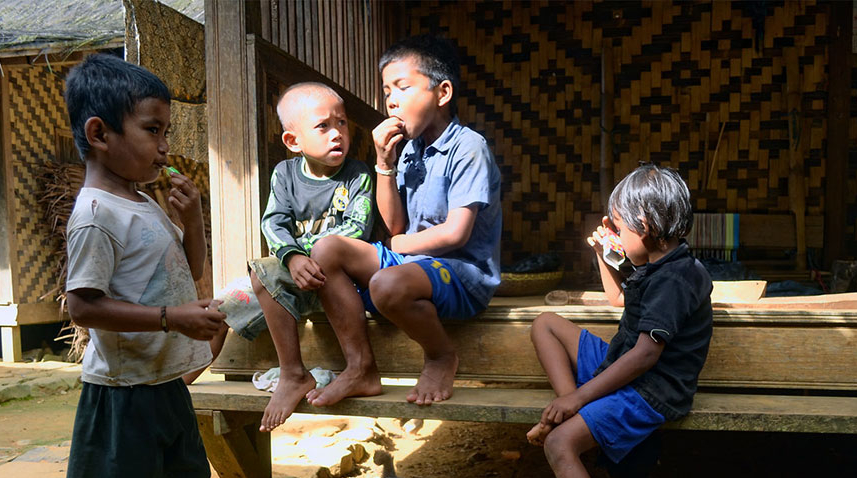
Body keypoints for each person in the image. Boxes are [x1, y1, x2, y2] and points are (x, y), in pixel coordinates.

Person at [306, 34, 502, 407]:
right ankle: (360, 366)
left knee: (386, 285)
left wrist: (396, 247)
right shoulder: (409, 150)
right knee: (326, 249)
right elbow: (395, 225)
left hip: (463, 272)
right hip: (414, 264)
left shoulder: (468, 147)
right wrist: (384, 163)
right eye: (386, 91)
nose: (391, 100)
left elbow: (456, 234)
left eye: (402, 86)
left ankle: (441, 355)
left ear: (442, 93)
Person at [62, 54, 226, 478]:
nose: (165, 147)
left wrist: (193, 222)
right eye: (153, 130)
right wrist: (172, 317)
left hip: (165, 386)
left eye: (165, 132)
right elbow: (82, 307)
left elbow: (188, 270)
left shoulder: (142, 202)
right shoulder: (97, 214)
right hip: (122, 398)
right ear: (99, 133)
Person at [526, 164, 713, 478]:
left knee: (559, 445)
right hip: (622, 362)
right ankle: (572, 409)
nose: (620, 239)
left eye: (621, 229)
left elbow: (646, 355)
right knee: (545, 324)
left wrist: (578, 397)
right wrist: (603, 254)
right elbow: (618, 300)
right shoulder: (659, 264)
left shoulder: (677, 279)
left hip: (651, 388)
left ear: (644, 225)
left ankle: (571, 410)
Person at [234, 82, 376, 431]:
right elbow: (274, 223)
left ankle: (345, 369)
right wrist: (294, 258)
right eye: (323, 126)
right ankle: (292, 373)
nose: (336, 134)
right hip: (301, 276)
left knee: (310, 259)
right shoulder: (284, 175)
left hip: (342, 280)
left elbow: (358, 227)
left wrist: (310, 251)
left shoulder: (358, 175)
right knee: (253, 278)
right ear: (293, 142)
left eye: (341, 123)